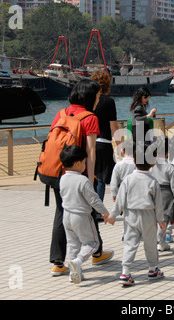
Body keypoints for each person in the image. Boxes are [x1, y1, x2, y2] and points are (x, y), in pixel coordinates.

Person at [49, 79, 112, 277]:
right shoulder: (90, 117)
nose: (98, 100)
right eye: (97, 97)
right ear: (90, 97)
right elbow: (91, 152)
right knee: (85, 212)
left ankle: (59, 263)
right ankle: (95, 252)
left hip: (57, 172)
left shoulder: (61, 113)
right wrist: (90, 179)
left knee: (62, 212)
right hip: (78, 175)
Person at [108, 142, 166, 287]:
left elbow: (120, 201)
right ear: (153, 164)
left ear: (134, 160)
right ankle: (153, 269)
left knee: (130, 244)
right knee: (150, 244)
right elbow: (158, 204)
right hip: (148, 216)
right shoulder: (153, 181)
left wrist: (113, 216)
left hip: (130, 216)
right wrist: (161, 220)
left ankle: (125, 272)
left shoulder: (127, 180)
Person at [59, 145, 113, 284]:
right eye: (84, 162)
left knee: (72, 244)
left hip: (67, 216)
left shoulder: (63, 179)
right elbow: (94, 200)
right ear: (78, 163)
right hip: (81, 217)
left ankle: (74, 273)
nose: (85, 165)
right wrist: (106, 213)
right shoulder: (82, 180)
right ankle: (78, 261)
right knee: (93, 243)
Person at [90, 70, 121, 201]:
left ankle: (91, 209)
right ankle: (98, 210)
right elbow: (113, 127)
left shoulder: (89, 101)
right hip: (104, 143)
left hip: (89, 141)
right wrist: (120, 145)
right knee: (102, 178)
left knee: (92, 176)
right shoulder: (109, 101)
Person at [150, 136, 174, 252]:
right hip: (166, 195)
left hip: (152, 193)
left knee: (154, 220)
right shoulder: (171, 168)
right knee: (164, 220)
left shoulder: (150, 166)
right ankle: (160, 241)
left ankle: (158, 242)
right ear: (168, 152)